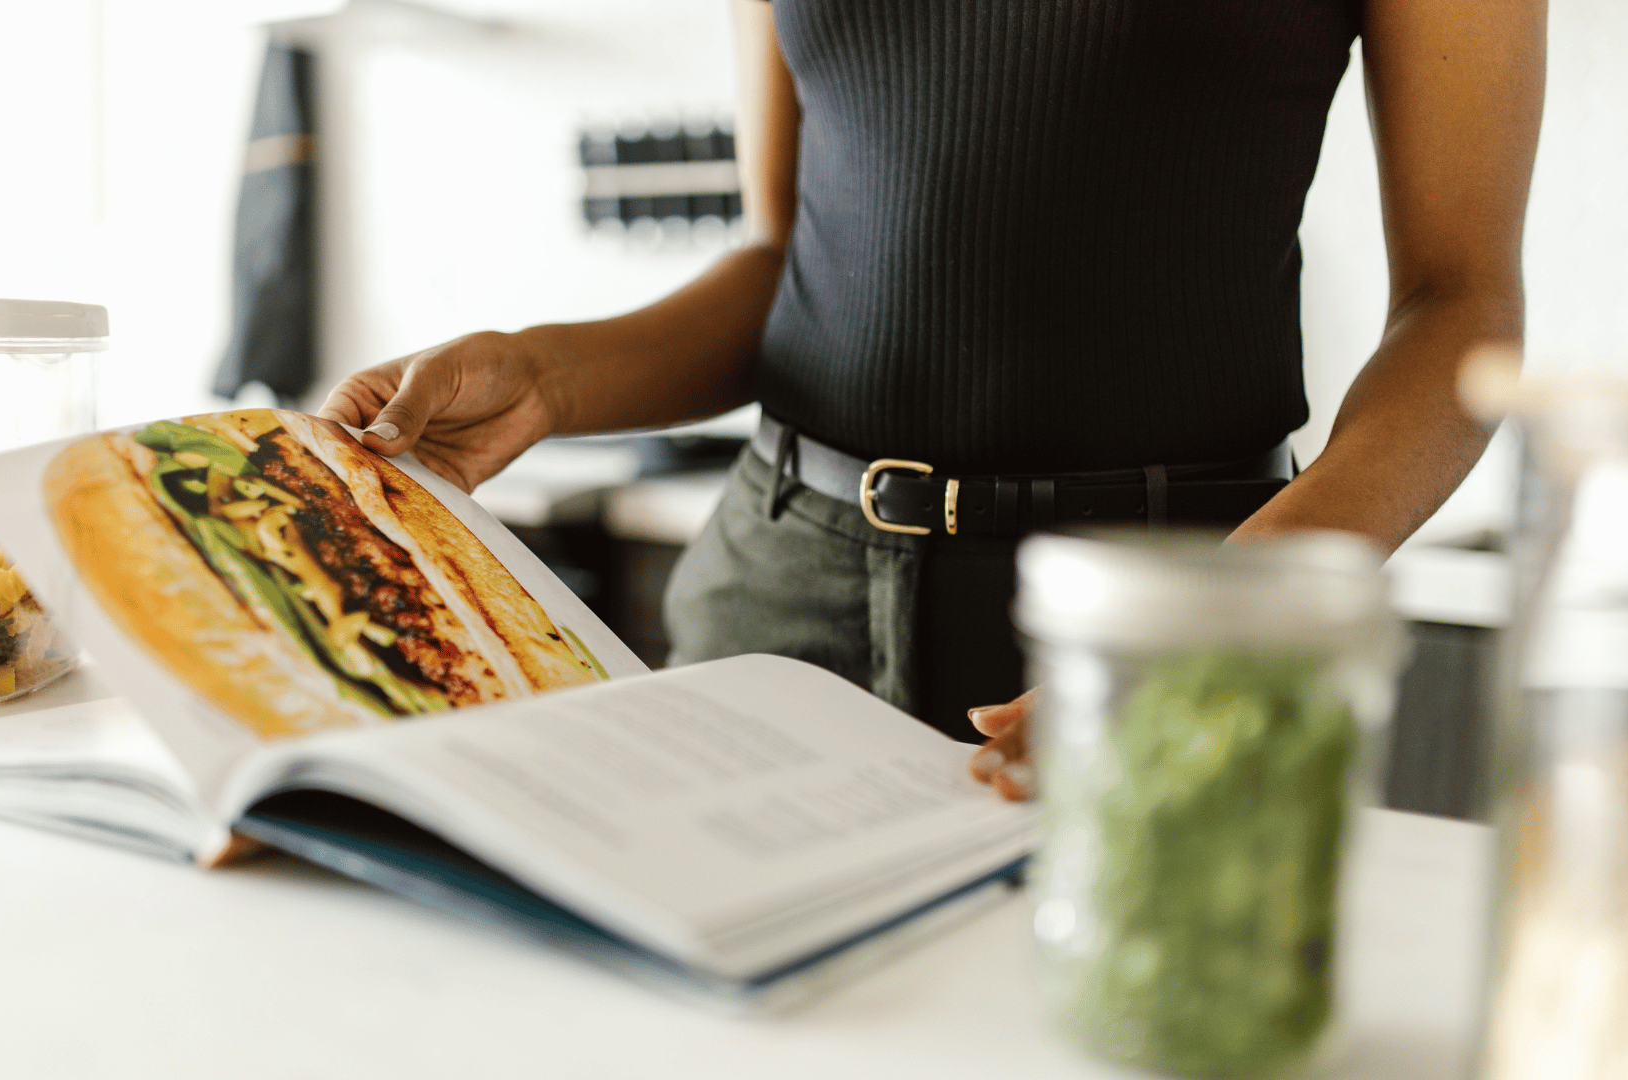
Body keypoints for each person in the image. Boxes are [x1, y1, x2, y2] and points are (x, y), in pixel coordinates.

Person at [320, 0, 1545, 802]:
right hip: (779, 591)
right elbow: (790, 259)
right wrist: (547, 372)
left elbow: (1462, 306)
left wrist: (1217, 618)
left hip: (1173, 613)